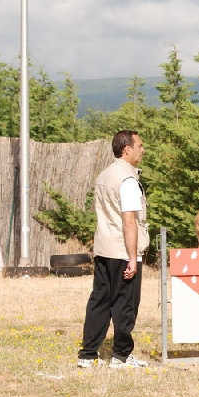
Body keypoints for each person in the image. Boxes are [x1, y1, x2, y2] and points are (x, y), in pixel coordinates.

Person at [77, 130, 149, 369]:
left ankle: (88, 354)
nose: (143, 149)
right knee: (125, 304)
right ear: (126, 149)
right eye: (139, 145)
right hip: (122, 249)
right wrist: (132, 257)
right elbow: (129, 220)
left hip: (103, 247)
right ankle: (121, 355)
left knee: (99, 300)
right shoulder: (127, 180)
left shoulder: (104, 175)